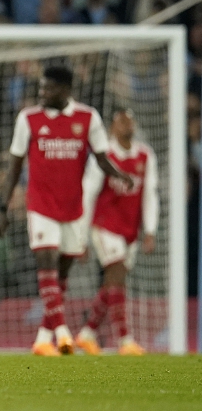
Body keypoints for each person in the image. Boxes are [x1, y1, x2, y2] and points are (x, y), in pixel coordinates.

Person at [0, 65, 133, 356]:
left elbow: (101, 158)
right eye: (41, 88)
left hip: (73, 207)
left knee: (61, 275)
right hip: (40, 205)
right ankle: (62, 332)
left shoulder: (88, 117)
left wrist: (119, 174)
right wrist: (2, 207)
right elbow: (14, 167)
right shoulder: (28, 119)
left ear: (66, 90)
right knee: (46, 264)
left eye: (49, 88)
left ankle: (43, 339)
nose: (42, 93)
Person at [75, 109, 158, 356]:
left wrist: (150, 230)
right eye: (121, 120)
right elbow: (88, 195)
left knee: (113, 282)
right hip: (104, 225)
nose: (126, 124)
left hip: (129, 230)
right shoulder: (104, 156)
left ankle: (88, 333)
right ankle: (125, 341)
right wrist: (81, 238)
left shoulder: (145, 155)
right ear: (112, 127)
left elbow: (150, 195)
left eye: (129, 120)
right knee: (117, 274)